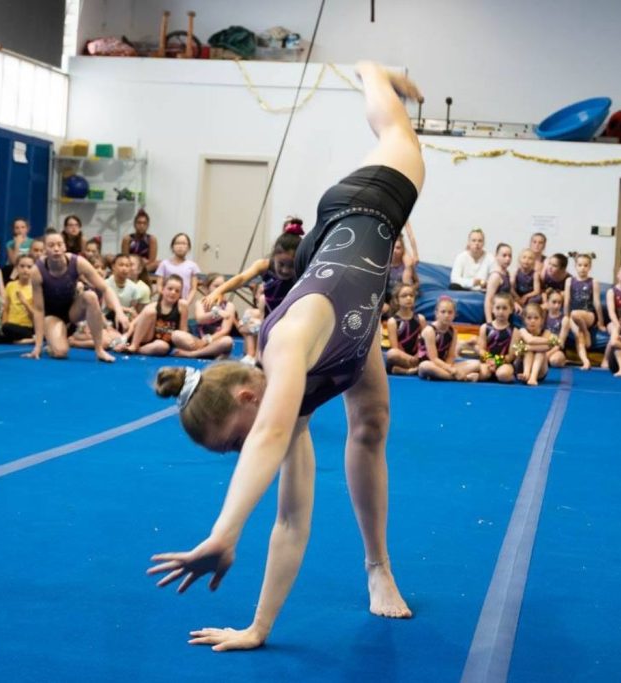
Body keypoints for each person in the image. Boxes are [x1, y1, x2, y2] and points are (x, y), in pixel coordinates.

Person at [146, 63, 425, 651]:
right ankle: (379, 567)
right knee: (370, 424)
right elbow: (291, 522)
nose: (248, 452)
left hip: (365, 208)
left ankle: (373, 72)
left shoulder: (286, 343)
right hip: (342, 293)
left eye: (236, 441)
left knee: (397, 131)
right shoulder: (285, 407)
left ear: (250, 394)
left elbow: (269, 432)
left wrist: (223, 531)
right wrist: (258, 627)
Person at [202, 225, 302, 365]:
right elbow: (242, 278)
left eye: (291, 266)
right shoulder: (264, 265)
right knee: (262, 360)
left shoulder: (303, 270)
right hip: (270, 319)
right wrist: (219, 290)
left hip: (291, 320)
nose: (285, 270)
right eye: (281, 264)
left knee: (282, 359)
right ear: (274, 256)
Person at [24, 230, 129, 363]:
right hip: (51, 316)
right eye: (51, 245)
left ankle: (99, 350)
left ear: (64, 247)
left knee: (90, 296)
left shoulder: (77, 262)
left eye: (59, 244)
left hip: (72, 311)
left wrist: (119, 311)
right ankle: (53, 342)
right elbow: (38, 310)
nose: (56, 249)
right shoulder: (37, 271)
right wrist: (37, 346)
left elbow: (105, 287)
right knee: (61, 352)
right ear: (45, 249)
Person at [115, 273, 189, 356]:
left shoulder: (182, 306)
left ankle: (136, 350)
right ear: (163, 289)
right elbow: (134, 324)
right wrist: (124, 339)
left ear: (180, 294)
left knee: (163, 347)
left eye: (177, 291)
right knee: (150, 312)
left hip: (160, 344)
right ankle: (133, 346)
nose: (173, 292)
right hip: (146, 338)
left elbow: (183, 330)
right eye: (170, 289)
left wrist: (182, 347)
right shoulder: (152, 307)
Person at [417, 297, 479, 381]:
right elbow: (433, 358)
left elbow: (451, 355)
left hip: (444, 365)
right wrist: (451, 370)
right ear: (436, 313)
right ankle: (465, 378)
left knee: (476, 363)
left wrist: (449, 367)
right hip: (429, 364)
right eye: (443, 312)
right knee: (425, 366)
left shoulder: (453, 331)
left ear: (454, 315)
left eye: (450, 312)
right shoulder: (430, 331)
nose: (446, 315)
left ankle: (442, 376)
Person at [0, 254, 36, 344]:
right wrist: (2, 325)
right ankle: (20, 341)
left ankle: (27, 338)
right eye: (22, 266)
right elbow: (6, 309)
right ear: (17, 268)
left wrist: (25, 302)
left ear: (34, 269)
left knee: (7, 328)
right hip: (10, 326)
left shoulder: (35, 288)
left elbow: (36, 316)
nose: (25, 270)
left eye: (29, 267)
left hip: (27, 327)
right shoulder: (11, 285)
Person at [384, 283, 425, 375]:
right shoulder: (392, 321)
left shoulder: (420, 319)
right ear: (397, 300)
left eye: (411, 295)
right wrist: (411, 359)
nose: (408, 298)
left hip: (417, 357)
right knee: (391, 353)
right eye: (404, 296)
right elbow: (395, 347)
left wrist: (418, 356)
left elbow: (424, 344)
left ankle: (404, 370)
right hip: (402, 358)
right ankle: (414, 369)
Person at [153, 233, 201, 306]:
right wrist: (166, 298)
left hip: (182, 303)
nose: (180, 246)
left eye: (184, 243)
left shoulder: (193, 266)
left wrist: (187, 303)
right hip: (165, 302)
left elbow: (193, 288)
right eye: (177, 243)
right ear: (172, 246)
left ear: (188, 248)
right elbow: (159, 285)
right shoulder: (164, 264)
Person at [478, 292, 516, 383]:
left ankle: (510, 376)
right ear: (492, 309)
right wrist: (490, 360)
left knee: (503, 374)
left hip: (505, 364)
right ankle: (486, 374)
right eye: (498, 308)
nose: (501, 311)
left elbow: (511, 356)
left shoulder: (514, 331)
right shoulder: (484, 327)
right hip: (487, 362)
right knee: (483, 373)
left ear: (511, 310)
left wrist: (497, 362)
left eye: (504, 308)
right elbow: (481, 350)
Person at [515, 302, 554, 386]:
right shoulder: (522, 331)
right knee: (529, 352)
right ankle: (526, 374)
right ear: (524, 319)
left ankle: (533, 377)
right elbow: (530, 340)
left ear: (542, 320)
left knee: (540, 352)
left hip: (540, 372)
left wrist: (527, 347)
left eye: (536, 318)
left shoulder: (546, 332)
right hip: (521, 368)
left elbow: (547, 347)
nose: (532, 321)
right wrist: (551, 341)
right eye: (529, 318)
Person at [483, 243, 513, 323]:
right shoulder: (495, 276)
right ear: (496, 256)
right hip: (496, 316)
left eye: (510, 256)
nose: (507, 259)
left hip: (504, 314)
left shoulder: (506, 273)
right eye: (504, 255)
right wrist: (489, 322)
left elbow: (507, 294)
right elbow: (488, 300)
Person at [543, 288, 570, 369]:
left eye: (559, 303)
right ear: (547, 302)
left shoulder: (564, 319)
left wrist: (547, 355)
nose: (557, 305)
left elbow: (560, 344)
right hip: (542, 347)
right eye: (554, 302)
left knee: (555, 360)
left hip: (556, 349)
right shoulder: (543, 316)